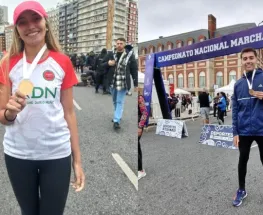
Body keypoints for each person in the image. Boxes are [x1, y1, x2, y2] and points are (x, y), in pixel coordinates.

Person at [0, 2, 85, 215]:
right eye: (22, 22)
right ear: (17, 30)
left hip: (56, 153)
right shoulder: (8, 63)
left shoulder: (62, 61)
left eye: (36, 19)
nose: (30, 26)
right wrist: (10, 113)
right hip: (18, 154)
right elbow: (2, 115)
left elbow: (69, 113)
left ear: (45, 23)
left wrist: (77, 161)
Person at [232, 47, 263, 207]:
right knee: (242, 160)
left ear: (256, 59)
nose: (248, 61)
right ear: (242, 61)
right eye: (245, 58)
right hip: (244, 131)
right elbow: (235, 109)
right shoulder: (238, 84)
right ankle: (242, 189)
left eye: (251, 57)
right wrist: (235, 131)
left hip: (262, 129)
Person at [103, 38, 138, 130]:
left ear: (124, 44)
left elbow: (134, 70)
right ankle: (117, 115)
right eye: (117, 43)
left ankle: (116, 120)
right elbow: (101, 64)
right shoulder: (111, 54)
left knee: (119, 101)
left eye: (121, 43)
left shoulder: (130, 55)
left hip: (123, 82)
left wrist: (136, 84)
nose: (119, 45)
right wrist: (108, 63)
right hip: (112, 82)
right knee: (114, 101)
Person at [138, 93, 148, 180]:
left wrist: (140, 126)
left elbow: (145, 112)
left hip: (138, 125)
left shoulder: (139, 98)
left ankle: (140, 170)